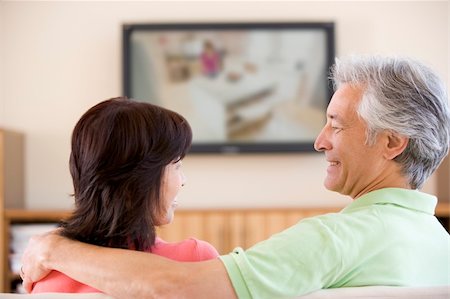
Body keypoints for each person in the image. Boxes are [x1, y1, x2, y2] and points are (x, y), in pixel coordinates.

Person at [21, 55, 450, 298]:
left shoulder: (333, 241)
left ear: (393, 143)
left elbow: (173, 289)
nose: (320, 141)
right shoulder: (440, 244)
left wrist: (52, 247)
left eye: (336, 125)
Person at [29, 97, 219, 293]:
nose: (183, 179)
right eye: (176, 165)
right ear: (137, 183)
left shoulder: (42, 273)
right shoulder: (196, 261)